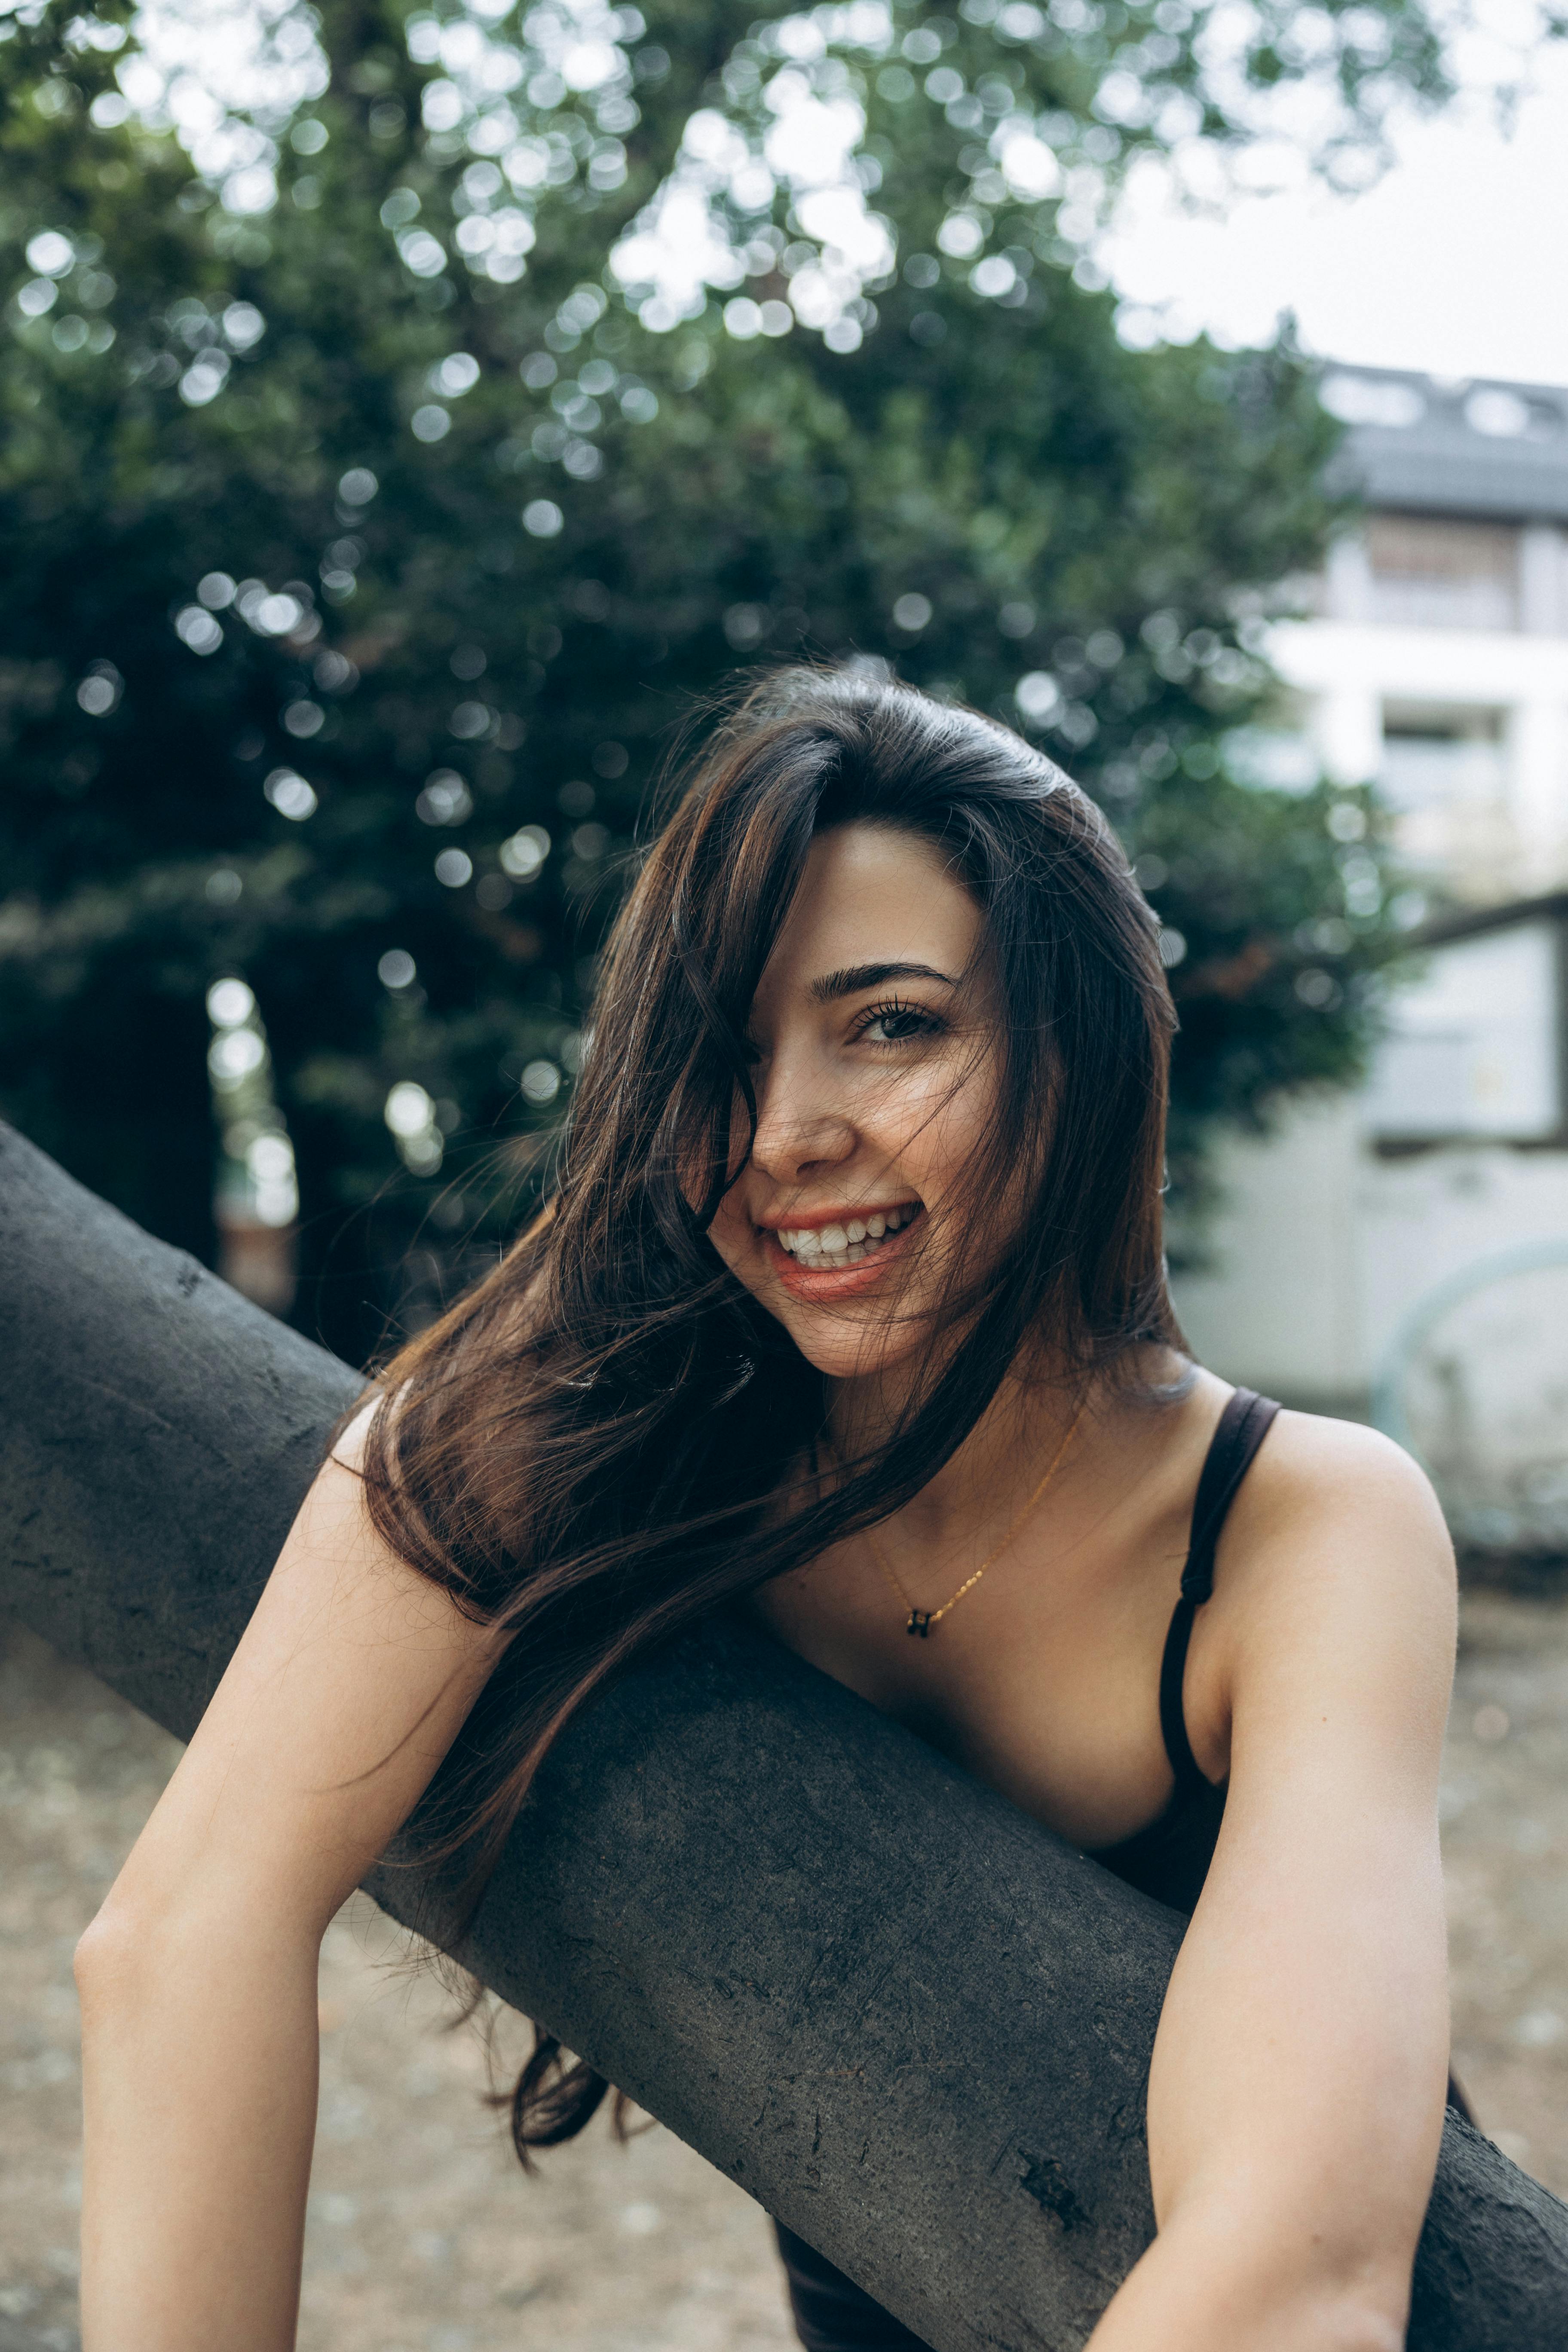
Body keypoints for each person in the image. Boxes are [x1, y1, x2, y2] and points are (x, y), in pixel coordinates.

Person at [75, 667, 1458, 2352]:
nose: (786, 1137)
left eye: (894, 1024)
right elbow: (181, 1937)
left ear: (1075, 1055)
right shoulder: (551, 1431)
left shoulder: (1301, 1530)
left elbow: (1295, 2283)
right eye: (721, 1060)